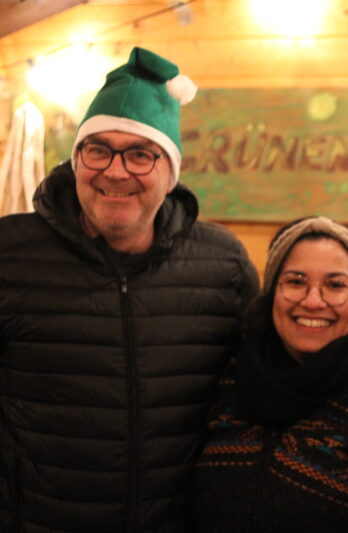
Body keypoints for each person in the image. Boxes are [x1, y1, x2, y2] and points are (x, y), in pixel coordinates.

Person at [0, 47, 259, 532]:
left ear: (170, 171)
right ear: (76, 159)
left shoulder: (222, 263)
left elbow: (265, 383)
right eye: (97, 149)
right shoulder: (9, 254)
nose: (115, 171)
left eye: (140, 154)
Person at [192, 216, 348, 532]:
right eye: (295, 281)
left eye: (335, 285)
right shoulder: (227, 378)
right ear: (272, 291)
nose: (313, 301)